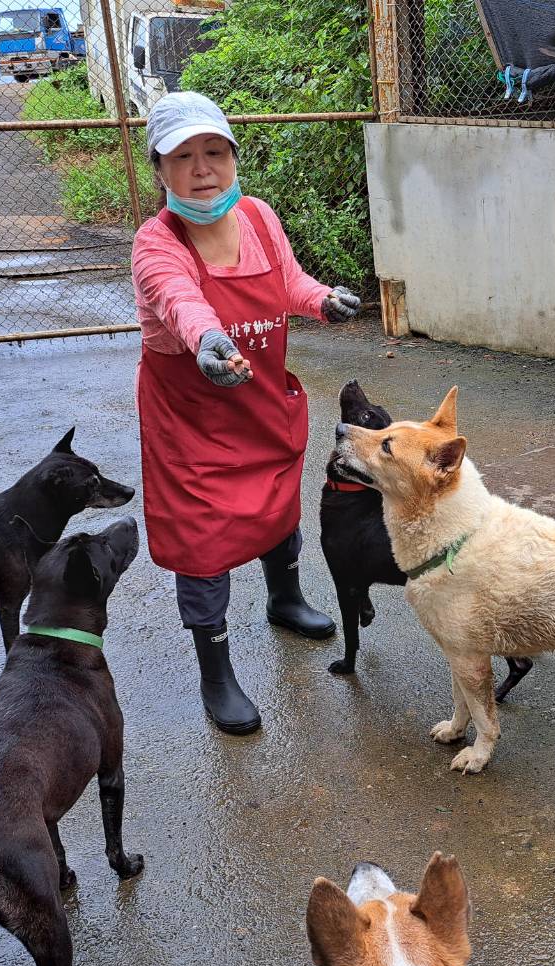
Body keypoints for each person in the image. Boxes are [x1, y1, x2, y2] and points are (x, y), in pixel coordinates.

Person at [131, 91, 361, 735]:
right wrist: (206, 340)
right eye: (184, 156)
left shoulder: (257, 216)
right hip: (191, 419)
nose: (202, 169)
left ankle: (284, 597)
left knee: (276, 504)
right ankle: (217, 671)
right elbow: (178, 300)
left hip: (256, 403)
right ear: (161, 170)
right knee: (202, 541)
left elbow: (287, 281)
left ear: (233, 158)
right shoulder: (156, 242)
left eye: (214, 151)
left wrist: (321, 300)